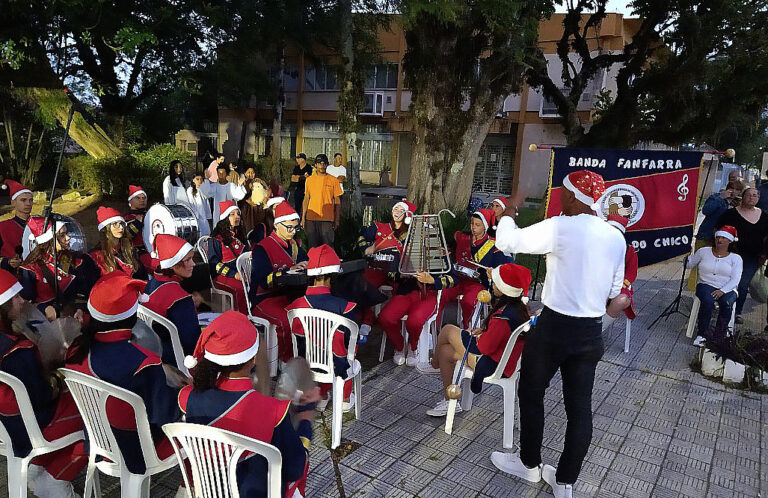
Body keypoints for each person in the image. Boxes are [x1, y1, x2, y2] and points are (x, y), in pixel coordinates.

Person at [492, 170, 625, 498]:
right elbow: (613, 290)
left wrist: (510, 209)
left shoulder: (561, 227)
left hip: (553, 328)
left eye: (562, 193)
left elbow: (507, 241)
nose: (559, 199)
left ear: (571, 197)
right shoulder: (615, 237)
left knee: (531, 392)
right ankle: (565, 481)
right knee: (579, 406)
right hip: (590, 332)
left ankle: (530, 466)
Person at [179, 311, 316, 498]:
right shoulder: (274, 410)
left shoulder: (186, 398)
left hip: (210, 490)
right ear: (253, 360)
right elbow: (294, 469)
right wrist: (305, 421)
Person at [65, 272, 180, 476]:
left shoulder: (74, 350)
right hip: (138, 453)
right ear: (132, 317)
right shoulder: (144, 362)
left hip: (98, 444)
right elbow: (166, 415)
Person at [0, 269, 86, 497]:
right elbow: (41, 396)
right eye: (15, 299)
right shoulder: (18, 353)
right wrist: (59, 374)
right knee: (93, 413)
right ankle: (56, 480)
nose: (23, 301)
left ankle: (36, 467)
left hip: (5, 426)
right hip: (27, 425)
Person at [426, 263, 529, 417]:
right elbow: (500, 335)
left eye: (495, 283)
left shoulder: (503, 317)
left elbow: (484, 348)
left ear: (504, 289)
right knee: (446, 352)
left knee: (448, 330)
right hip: (503, 360)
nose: (492, 286)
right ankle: (449, 402)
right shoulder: (517, 308)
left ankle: (434, 364)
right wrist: (485, 330)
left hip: (493, 364)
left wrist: (470, 335)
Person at [287, 244, 358, 412]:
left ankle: (322, 395)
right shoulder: (345, 307)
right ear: (331, 277)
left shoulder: (295, 306)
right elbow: (350, 343)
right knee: (349, 347)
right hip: (336, 366)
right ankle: (345, 398)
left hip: (307, 364)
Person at [377, 240, 458, 367]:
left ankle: (413, 346)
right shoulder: (403, 252)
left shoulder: (441, 253)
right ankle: (400, 346)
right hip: (406, 293)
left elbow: (453, 279)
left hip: (429, 295)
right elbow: (390, 274)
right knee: (385, 317)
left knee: (415, 320)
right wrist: (401, 275)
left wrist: (432, 280)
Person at [250, 202, 309, 361]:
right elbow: (263, 280)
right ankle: (285, 361)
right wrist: (288, 270)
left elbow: (306, 260)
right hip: (264, 298)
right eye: (289, 227)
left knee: (310, 315)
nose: (293, 232)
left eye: (295, 228)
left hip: (289, 295)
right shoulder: (263, 248)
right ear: (277, 225)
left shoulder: (294, 245)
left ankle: (303, 356)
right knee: (286, 321)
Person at [440, 208, 513, 329]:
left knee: (468, 301)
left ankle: (466, 328)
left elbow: (503, 265)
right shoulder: (464, 239)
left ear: (485, 226)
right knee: (441, 295)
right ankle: (436, 330)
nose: (473, 227)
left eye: (478, 225)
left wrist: (493, 272)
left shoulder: (493, 244)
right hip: (459, 279)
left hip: (478, 283)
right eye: (472, 224)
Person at [19, 216, 96, 319]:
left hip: (73, 318)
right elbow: (25, 305)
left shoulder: (75, 261)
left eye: (67, 233)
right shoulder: (31, 269)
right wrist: (44, 309)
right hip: (45, 324)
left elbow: (83, 292)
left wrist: (80, 308)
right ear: (49, 239)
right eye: (62, 235)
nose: (68, 238)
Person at [143, 234, 202, 366]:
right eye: (187, 260)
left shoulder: (151, 283)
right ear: (172, 264)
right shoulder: (179, 298)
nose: (193, 264)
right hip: (177, 360)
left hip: (154, 353)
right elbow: (192, 341)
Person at [356, 200, 412, 340]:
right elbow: (361, 236)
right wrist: (366, 248)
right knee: (364, 286)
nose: (397, 212)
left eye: (401, 210)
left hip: (399, 271)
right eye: (396, 209)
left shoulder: (411, 232)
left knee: (403, 293)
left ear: (406, 214)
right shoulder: (380, 227)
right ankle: (366, 321)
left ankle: (397, 325)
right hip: (379, 267)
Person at [716, 187, 768, 323]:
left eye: (755, 195)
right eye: (749, 195)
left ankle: (735, 312)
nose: (752, 198)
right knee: (727, 282)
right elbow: (718, 230)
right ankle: (723, 307)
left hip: (753, 257)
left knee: (742, 284)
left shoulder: (764, 215)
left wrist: (764, 254)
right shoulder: (731, 214)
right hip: (732, 255)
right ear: (743, 197)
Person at [686, 225, 742, 341]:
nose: (719, 240)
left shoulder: (736, 258)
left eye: (723, 238)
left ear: (730, 241)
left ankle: (719, 336)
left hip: (727, 288)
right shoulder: (703, 251)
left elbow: (735, 279)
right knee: (707, 301)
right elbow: (689, 265)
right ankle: (702, 333)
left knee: (727, 303)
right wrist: (685, 255)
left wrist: (723, 290)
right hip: (705, 284)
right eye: (718, 237)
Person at [689, 181, 742, 290]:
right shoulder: (716, 197)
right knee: (699, 262)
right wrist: (721, 198)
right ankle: (694, 288)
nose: (733, 192)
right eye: (731, 188)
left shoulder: (736, 205)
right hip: (706, 235)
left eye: (737, 190)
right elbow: (706, 210)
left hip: (724, 239)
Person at [208, 200, 248, 314]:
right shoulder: (216, 238)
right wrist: (233, 274)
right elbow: (214, 264)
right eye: (232, 214)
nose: (237, 217)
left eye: (238, 214)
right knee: (240, 289)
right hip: (223, 275)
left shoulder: (238, 234)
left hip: (240, 272)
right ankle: (240, 319)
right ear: (225, 217)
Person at [89, 206, 147, 280]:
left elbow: (142, 275)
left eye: (122, 223)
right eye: (115, 224)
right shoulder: (95, 256)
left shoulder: (129, 250)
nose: (121, 227)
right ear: (105, 229)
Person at [302, 153, 342, 248]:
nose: (322, 166)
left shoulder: (333, 180)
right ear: (315, 165)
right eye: (319, 163)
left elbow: (337, 201)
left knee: (327, 246)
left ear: (327, 165)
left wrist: (337, 220)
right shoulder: (309, 180)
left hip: (327, 219)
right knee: (312, 247)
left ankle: (329, 263)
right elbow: (306, 198)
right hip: (311, 218)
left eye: (324, 163)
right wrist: (303, 217)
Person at [604, 215, 638, 321]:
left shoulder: (630, 251)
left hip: (620, 287)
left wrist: (617, 286)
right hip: (600, 285)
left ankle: (600, 329)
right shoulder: (597, 246)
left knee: (620, 301)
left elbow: (631, 274)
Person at [0, 180, 33, 272]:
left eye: (31, 200)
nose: (28, 204)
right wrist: (7, 262)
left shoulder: (40, 224)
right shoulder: (2, 227)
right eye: (23, 200)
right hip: (13, 279)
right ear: (13, 202)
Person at [124, 185, 153, 272]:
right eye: (138, 198)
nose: (142, 200)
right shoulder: (126, 218)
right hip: (138, 255)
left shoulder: (152, 215)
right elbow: (125, 235)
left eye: (144, 198)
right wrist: (137, 223)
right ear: (130, 200)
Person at [239, 177, 272, 242]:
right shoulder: (246, 206)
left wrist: (266, 197)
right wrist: (247, 200)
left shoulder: (266, 206)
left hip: (264, 235)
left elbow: (268, 191)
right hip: (250, 233)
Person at [186, 172, 212, 237]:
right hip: (197, 217)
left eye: (201, 179)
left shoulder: (202, 190)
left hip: (204, 218)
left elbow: (206, 203)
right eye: (197, 179)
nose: (199, 181)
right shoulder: (190, 190)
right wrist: (196, 215)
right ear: (193, 180)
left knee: (207, 235)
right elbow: (190, 204)